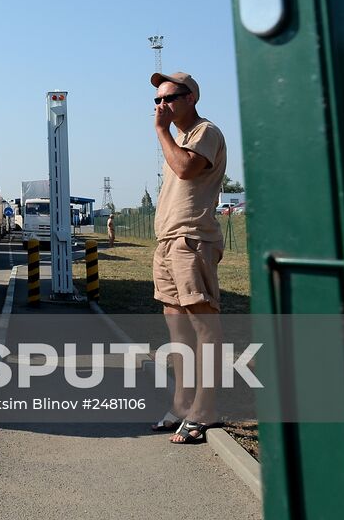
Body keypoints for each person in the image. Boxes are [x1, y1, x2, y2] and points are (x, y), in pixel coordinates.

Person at [147, 71, 226, 445]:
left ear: (191, 97)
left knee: (203, 327)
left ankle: (205, 410)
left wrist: (161, 132)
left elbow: (186, 168)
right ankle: (182, 404)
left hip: (192, 241)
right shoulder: (179, 138)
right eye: (157, 101)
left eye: (170, 98)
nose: (162, 106)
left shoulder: (204, 133)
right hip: (168, 242)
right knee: (177, 329)